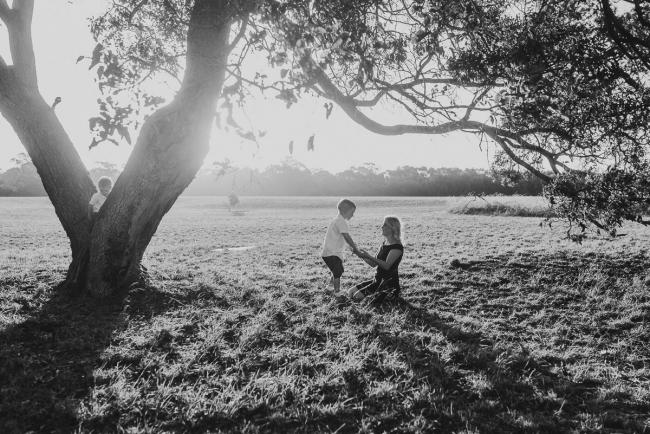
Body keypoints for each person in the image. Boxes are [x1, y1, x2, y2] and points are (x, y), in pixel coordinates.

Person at [349, 216, 404, 302]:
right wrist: (360, 254)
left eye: (385, 225)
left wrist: (369, 256)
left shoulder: (397, 247)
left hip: (387, 284)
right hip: (377, 279)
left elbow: (386, 266)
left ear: (392, 228)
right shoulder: (384, 243)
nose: (382, 227)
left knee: (357, 297)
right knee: (351, 292)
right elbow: (373, 264)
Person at [321, 199, 360, 291]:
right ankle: (337, 292)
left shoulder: (337, 220)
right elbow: (346, 236)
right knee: (337, 272)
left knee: (338, 270)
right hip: (332, 253)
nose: (352, 215)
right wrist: (355, 248)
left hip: (332, 252)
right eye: (352, 212)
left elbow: (343, 238)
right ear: (344, 211)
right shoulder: (341, 221)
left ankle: (330, 287)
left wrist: (351, 247)